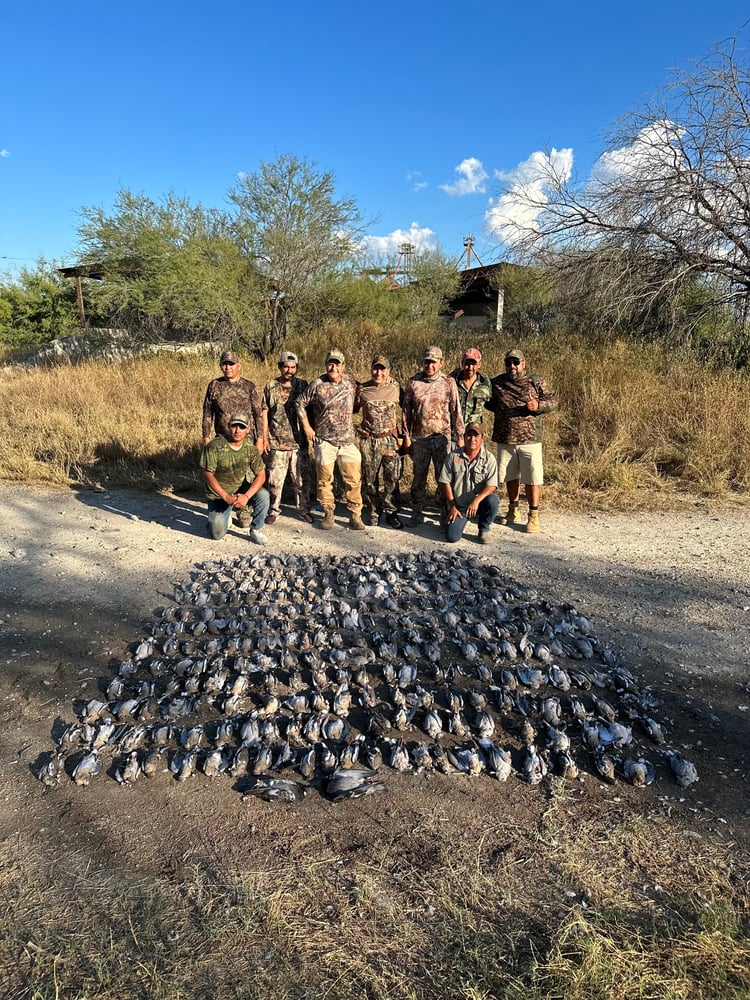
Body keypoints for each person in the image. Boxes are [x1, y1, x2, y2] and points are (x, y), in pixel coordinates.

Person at [485, 348, 558, 533]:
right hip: (505, 437)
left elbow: (553, 400)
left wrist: (538, 406)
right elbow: (487, 400)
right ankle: (513, 510)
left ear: (523, 363)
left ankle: (533, 515)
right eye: (509, 363)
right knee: (510, 476)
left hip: (530, 439)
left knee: (532, 478)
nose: (512, 366)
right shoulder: (497, 382)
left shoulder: (535, 380)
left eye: (516, 362)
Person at [296, 348, 365, 531]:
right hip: (325, 441)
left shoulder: (351, 382)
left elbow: (366, 392)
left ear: (343, 366)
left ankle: (355, 515)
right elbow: (300, 402)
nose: (333, 367)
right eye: (330, 363)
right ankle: (328, 513)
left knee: (353, 479)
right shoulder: (318, 383)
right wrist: (307, 427)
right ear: (326, 365)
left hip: (347, 441)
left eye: (337, 364)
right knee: (324, 480)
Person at [402, 346, 464, 525]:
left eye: (433, 362)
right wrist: (406, 435)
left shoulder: (448, 382)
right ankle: (417, 511)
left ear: (441, 363)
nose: (429, 365)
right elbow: (406, 411)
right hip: (420, 439)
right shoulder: (413, 382)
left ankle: (444, 511)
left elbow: (455, 410)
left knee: (443, 477)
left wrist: (459, 435)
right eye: (427, 361)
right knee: (418, 477)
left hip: (441, 438)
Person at [199, 412, 270, 544]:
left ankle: (256, 529)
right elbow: (207, 473)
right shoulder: (215, 446)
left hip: (240, 489)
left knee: (264, 496)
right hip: (219, 495)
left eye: (242, 427)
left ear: (248, 430)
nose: (237, 431)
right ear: (228, 426)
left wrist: (246, 496)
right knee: (217, 534)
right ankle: (221, 517)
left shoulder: (250, 448)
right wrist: (226, 497)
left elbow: (261, 475)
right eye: (234, 426)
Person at [260, 351, 313, 524]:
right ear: (280, 367)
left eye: (293, 367)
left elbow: (311, 410)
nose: (289, 370)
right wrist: (265, 437)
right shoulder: (271, 386)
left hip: (299, 443)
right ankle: (273, 510)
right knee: (275, 480)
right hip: (277, 441)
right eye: (286, 366)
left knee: (301, 480)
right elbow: (265, 412)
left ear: (296, 368)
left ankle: (304, 509)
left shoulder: (303, 385)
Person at [354, 355, 403, 529]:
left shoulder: (396, 387)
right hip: (369, 441)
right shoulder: (362, 389)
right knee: (369, 480)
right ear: (371, 369)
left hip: (390, 440)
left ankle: (391, 513)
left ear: (388, 371)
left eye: (382, 369)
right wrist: (357, 429)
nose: (379, 372)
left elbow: (408, 410)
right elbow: (349, 410)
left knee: (392, 479)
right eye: (376, 368)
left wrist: (404, 437)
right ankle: (374, 511)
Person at [438, 422, 499, 544]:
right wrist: (452, 506)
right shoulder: (453, 456)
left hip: (478, 504)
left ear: (482, 438)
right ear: (464, 437)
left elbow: (492, 485)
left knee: (493, 500)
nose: (472, 439)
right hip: (459, 506)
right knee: (452, 537)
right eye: (469, 435)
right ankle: (454, 519)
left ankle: (484, 529)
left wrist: (476, 501)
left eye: (476, 436)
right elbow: (446, 482)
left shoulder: (489, 458)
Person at [202, 350, 263, 450]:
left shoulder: (248, 386)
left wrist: (260, 440)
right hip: (222, 440)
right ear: (220, 366)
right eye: (224, 364)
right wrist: (206, 437)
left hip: (246, 441)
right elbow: (207, 413)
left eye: (231, 364)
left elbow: (258, 414)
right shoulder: (214, 385)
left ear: (239, 366)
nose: (228, 367)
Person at [449, 347, 492, 430]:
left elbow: (492, 404)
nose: (470, 367)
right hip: (454, 435)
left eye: (474, 364)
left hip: (474, 435)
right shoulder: (452, 381)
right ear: (462, 363)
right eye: (467, 364)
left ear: (479, 365)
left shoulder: (486, 383)